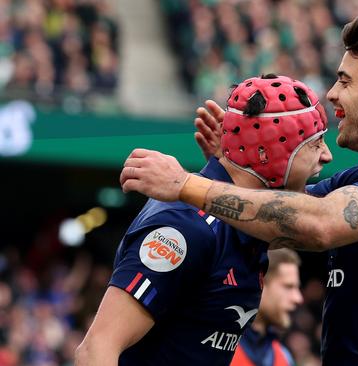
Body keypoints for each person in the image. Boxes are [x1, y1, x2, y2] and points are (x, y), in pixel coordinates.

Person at [120, 13, 358, 365]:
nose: (332, 94)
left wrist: (186, 185)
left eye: (345, 81)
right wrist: (241, 166)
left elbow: (319, 224)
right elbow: (284, 215)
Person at [75, 74, 332, 366]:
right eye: (315, 142)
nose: (327, 155)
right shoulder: (183, 228)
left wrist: (240, 162)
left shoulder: (247, 226)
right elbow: (96, 349)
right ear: (266, 152)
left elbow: (314, 217)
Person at [230, 248, 303, 366]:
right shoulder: (214, 346)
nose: (298, 298)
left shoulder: (285, 357)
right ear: (260, 284)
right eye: (288, 287)